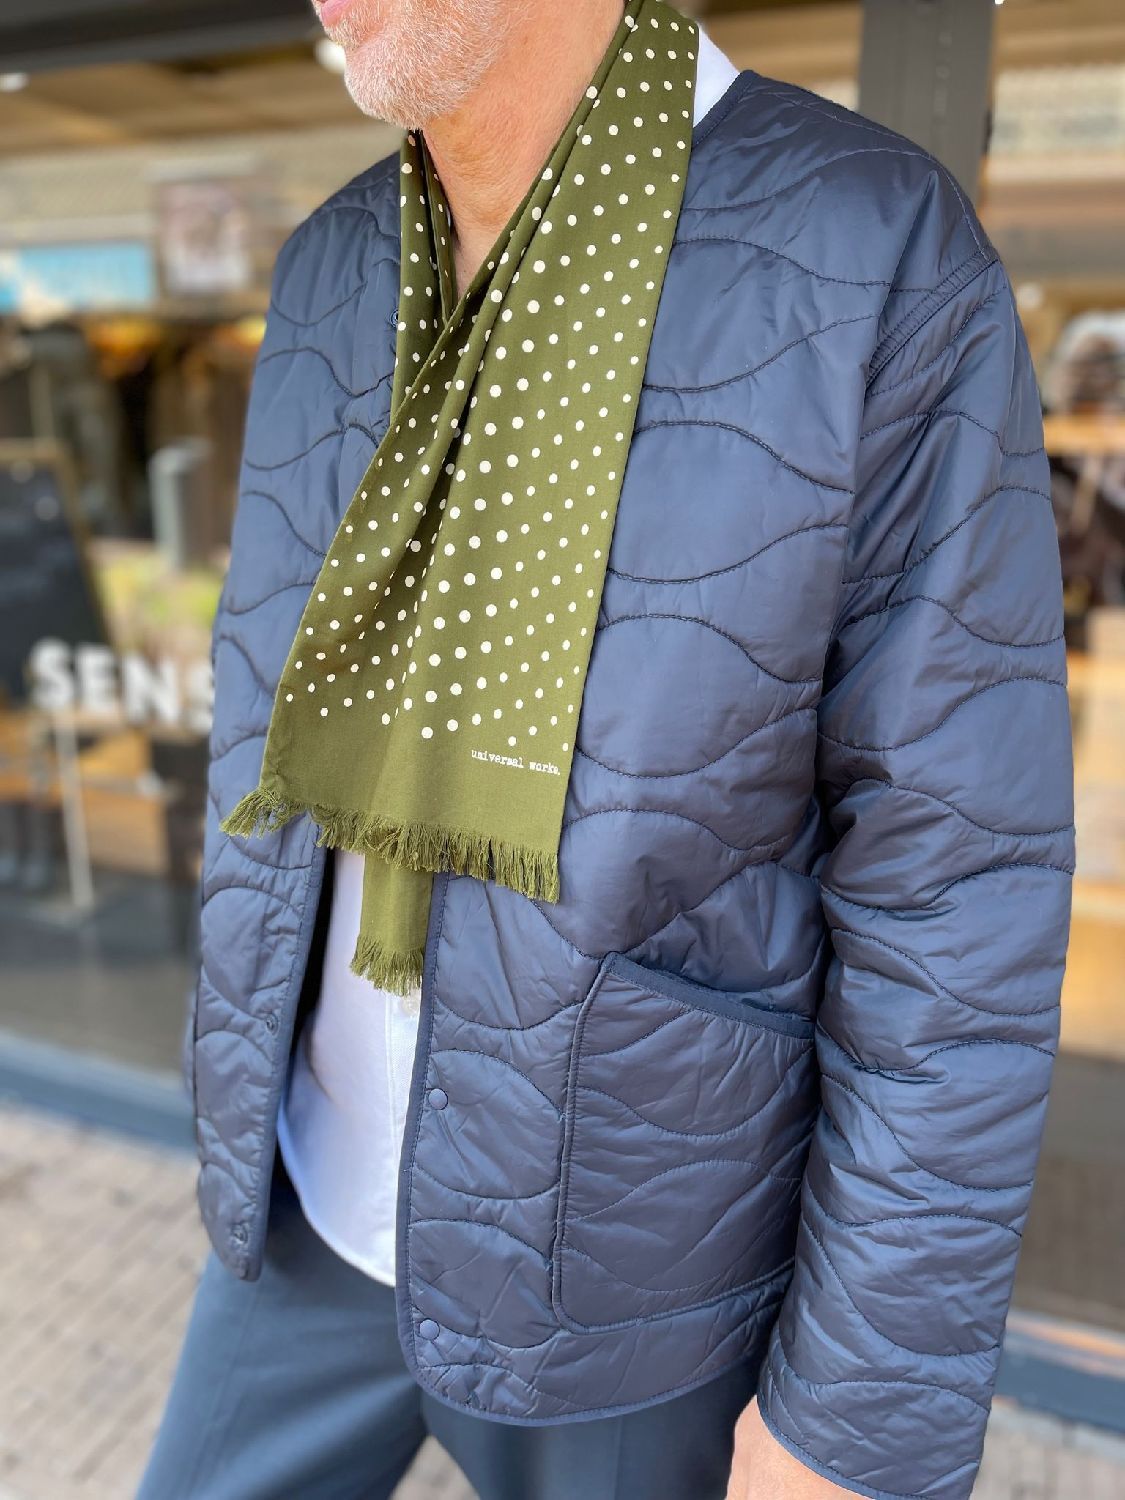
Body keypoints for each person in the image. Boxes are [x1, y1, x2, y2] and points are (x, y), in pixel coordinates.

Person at [139, 0, 1075, 1497]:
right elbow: (267, 739)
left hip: (640, 1281)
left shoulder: (869, 246)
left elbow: (954, 885)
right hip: (305, 1201)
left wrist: (855, 1418)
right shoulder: (329, 267)